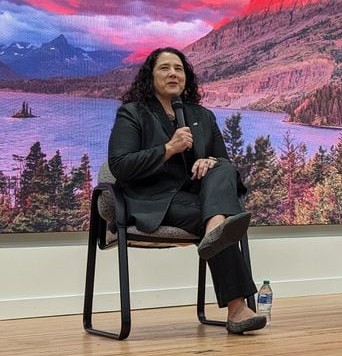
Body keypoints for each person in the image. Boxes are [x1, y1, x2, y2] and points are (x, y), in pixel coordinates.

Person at [107, 47, 265, 334]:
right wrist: (168, 149)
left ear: (186, 77)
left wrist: (209, 160)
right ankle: (237, 308)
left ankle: (215, 224)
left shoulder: (202, 116)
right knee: (224, 219)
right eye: (164, 68)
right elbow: (120, 165)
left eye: (178, 68)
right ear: (150, 76)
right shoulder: (132, 113)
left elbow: (224, 163)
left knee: (224, 168)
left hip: (196, 198)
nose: (172, 74)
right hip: (152, 200)